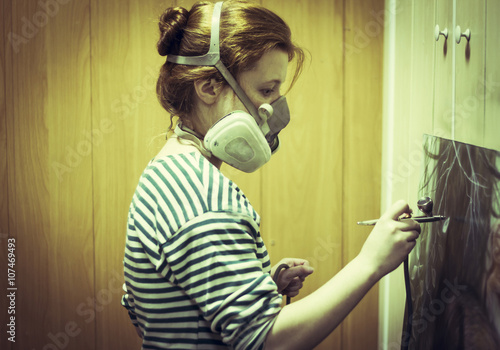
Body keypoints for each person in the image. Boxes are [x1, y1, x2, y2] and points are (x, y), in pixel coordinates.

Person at [121, 1, 421, 349]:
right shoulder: (205, 199)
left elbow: (176, 307)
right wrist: (371, 263)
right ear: (208, 87)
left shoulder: (167, 172)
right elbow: (267, 343)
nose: (275, 111)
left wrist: (259, 284)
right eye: (266, 91)